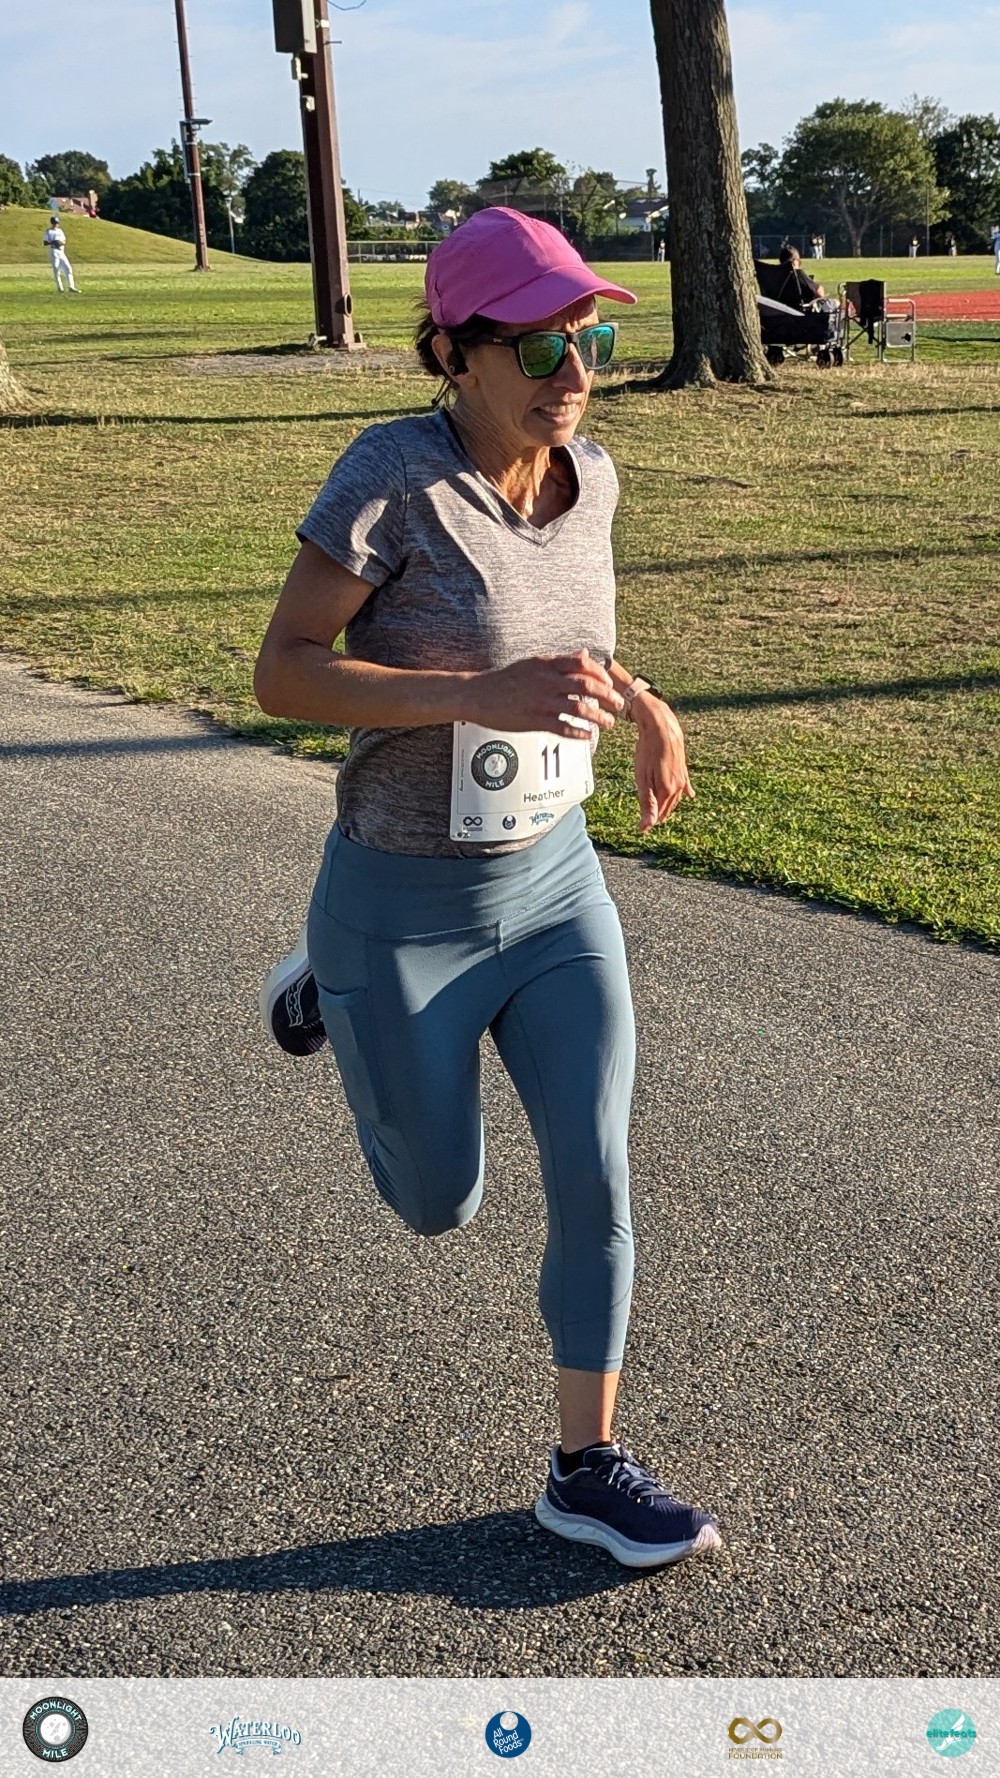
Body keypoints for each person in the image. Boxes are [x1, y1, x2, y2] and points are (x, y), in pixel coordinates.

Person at [253, 207, 722, 1571]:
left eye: (589, 340)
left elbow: (569, 652)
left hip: (556, 888)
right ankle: (330, 987)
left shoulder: (596, 479)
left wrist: (648, 705)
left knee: (595, 1166)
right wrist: (473, 692)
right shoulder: (393, 478)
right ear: (454, 352)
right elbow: (282, 672)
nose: (574, 370)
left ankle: (586, 1467)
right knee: (436, 1201)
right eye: (537, 344)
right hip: (402, 906)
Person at [43, 217, 80, 293]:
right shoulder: (48, 231)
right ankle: (60, 288)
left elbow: (64, 241)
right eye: (54, 223)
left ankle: (71, 286)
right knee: (56, 270)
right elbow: (45, 242)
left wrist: (60, 243)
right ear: (52, 223)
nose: (56, 224)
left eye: (57, 223)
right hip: (54, 251)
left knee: (68, 268)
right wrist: (53, 242)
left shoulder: (60, 231)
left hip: (61, 251)